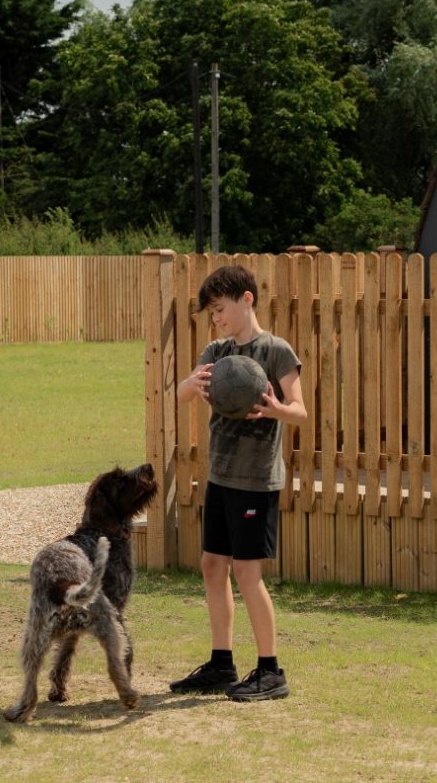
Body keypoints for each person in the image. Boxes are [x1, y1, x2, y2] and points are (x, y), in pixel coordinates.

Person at [169, 264, 306, 702]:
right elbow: (182, 395)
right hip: (221, 476)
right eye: (211, 314)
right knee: (213, 566)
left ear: (247, 299)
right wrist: (189, 384)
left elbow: (300, 410)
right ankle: (221, 663)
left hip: (256, 480)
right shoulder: (216, 351)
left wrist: (273, 409)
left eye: (221, 309)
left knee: (247, 573)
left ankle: (271, 671)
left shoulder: (276, 351)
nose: (217, 319)